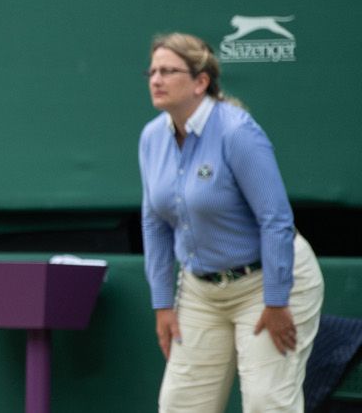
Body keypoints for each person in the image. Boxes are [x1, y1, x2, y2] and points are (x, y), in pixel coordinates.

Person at [139, 32, 324, 412]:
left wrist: (276, 300)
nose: (156, 80)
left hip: (268, 285)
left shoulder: (237, 131)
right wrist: (162, 304)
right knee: (180, 405)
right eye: (152, 71)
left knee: (266, 403)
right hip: (200, 292)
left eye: (168, 71)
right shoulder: (151, 137)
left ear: (200, 81)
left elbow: (276, 219)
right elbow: (154, 223)